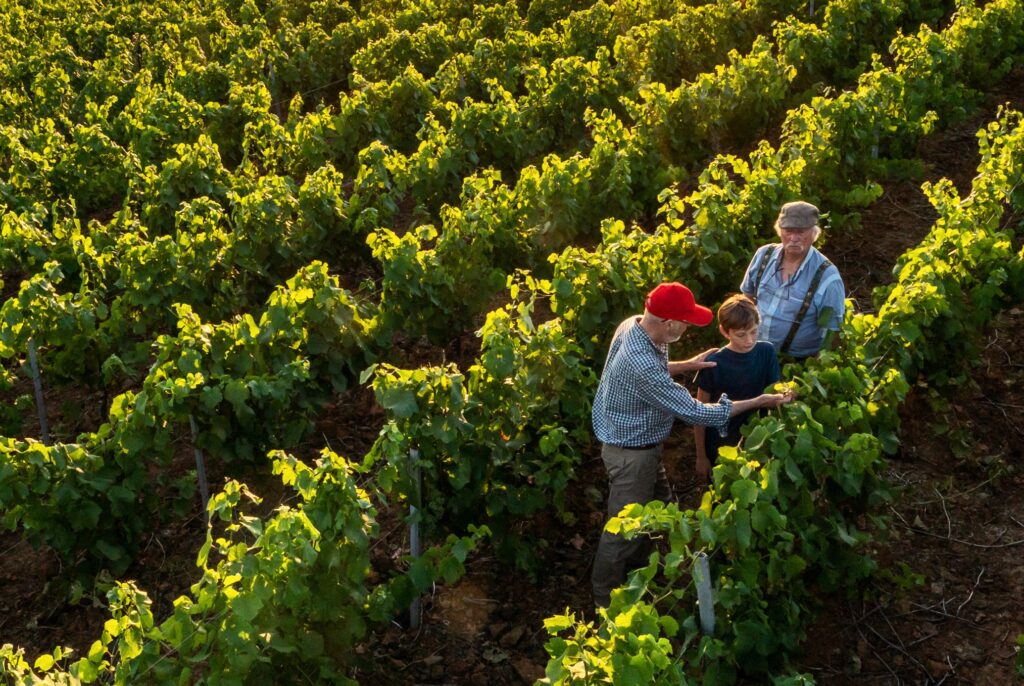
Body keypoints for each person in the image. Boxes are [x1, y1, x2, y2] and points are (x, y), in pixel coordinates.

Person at [590, 282, 794, 608]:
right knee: (623, 530)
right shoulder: (642, 362)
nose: (687, 327)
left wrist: (686, 365)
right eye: (684, 322)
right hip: (631, 455)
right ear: (668, 323)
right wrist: (758, 400)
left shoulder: (634, 325)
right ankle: (605, 601)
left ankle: (639, 574)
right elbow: (697, 412)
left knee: (660, 510)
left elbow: (649, 371)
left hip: (641, 443)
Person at [740, 201, 846, 360]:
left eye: (801, 232)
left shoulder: (827, 277)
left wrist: (814, 370)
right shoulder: (764, 255)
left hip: (795, 362)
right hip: (752, 351)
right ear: (779, 231)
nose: (793, 238)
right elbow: (746, 298)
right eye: (788, 231)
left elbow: (833, 332)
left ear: (814, 234)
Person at [694, 294, 782, 483]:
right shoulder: (713, 364)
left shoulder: (766, 352)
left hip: (757, 440)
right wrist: (701, 456)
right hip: (720, 444)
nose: (749, 340)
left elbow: (775, 392)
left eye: (754, 332)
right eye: (741, 335)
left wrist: (787, 395)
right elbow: (698, 413)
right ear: (725, 332)